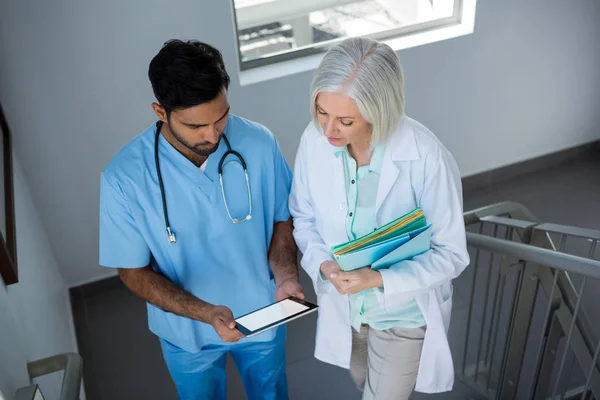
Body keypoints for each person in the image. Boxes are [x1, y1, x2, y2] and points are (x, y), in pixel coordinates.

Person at [99, 39, 303, 400]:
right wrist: (205, 312)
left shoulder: (258, 143)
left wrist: (286, 277)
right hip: (186, 334)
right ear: (160, 112)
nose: (213, 135)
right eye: (196, 126)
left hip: (263, 314)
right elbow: (133, 271)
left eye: (220, 117)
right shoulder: (124, 178)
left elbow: (280, 222)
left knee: (272, 394)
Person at [289, 37, 470, 399]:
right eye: (321, 112)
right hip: (348, 307)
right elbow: (303, 217)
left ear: (378, 110)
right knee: (361, 377)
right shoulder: (315, 140)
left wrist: (377, 278)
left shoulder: (426, 157)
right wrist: (324, 266)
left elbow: (451, 253)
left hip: (403, 311)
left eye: (345, 120)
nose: (328, 130)